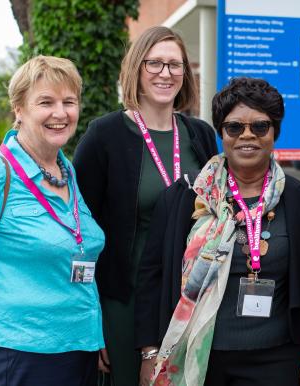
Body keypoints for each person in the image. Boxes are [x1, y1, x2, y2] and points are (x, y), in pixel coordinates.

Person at [135, 77, 300, 385]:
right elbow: (151, 279)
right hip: (197, 358)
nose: (246, 136)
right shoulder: (185, 197)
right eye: (234, 127)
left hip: (277, 361)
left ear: (275, 132)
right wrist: (149, 353)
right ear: (221, 133)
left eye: (260, 127)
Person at [0, 55, 105, 385]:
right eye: (46, 102)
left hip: (78, 349)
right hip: (19, 353)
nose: (60, 113)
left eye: (69, 102)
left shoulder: (67, 174)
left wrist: (93, 333)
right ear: (19, 109)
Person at [73, 26, 218, 385]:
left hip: (189, 294)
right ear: (136, 68)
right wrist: (93, 319)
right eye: (155, 64)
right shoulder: (104, 135)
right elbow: (78, 229)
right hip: (125, 299)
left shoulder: (199, 134)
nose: (165, 74)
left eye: (174, 65)